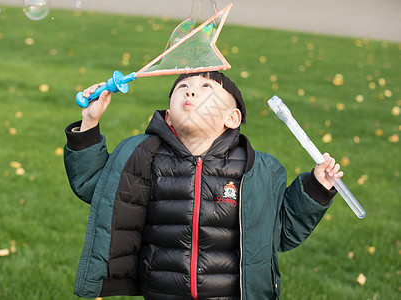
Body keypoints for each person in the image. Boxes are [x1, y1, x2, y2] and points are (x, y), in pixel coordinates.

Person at [64, 71, 343, 300]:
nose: (190, 91)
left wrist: (315, 188)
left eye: (206, 87)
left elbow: (282, 232)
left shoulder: (257, 170)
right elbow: (95, 186)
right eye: (182, 86)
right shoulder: (144, 156)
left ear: (231, 118)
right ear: (169, 117)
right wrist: (90, 121)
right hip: (162, 292)